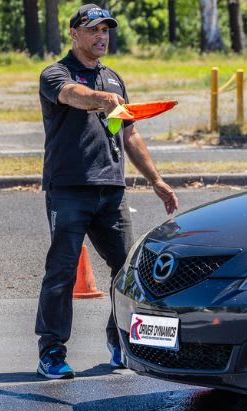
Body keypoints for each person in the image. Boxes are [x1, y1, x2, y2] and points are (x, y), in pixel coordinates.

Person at [36, 4, 178, 379]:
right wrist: (101, 100)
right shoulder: (55, 73)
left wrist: (156, 179)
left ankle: (119, 340)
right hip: (68, 188)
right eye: (93, 29)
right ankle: (51, 351)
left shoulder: (113, 78)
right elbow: (71, 95)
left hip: (112, 190)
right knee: (62, 272)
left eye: (106, 30)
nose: (102, 36)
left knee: (126, 270)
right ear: (74, 34)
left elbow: (129, 133)